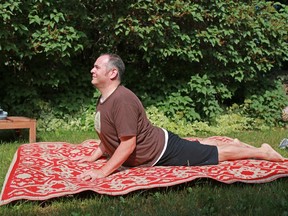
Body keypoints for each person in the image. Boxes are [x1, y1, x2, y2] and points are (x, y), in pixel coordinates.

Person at [73, 53, 285, 182]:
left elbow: (128, 144)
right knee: (197, 146)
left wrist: (102, 171)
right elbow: (108, 133)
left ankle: (262, 151)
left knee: (213, 154)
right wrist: (94, 156)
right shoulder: (105, 98)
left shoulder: (122, 100)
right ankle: (237, 143)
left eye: (97, 67)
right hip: (159, 143)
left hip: (160, 151)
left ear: (112, 74)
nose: (92, 70)